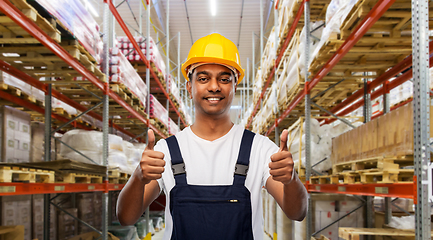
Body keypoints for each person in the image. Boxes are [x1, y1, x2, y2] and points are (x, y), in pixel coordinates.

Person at [117, 33, 308, 239]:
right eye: (203, 78)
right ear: (189, 87)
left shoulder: (260, 148)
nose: (214, 86)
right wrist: (138, 177)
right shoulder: (165, 151)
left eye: (224, 79)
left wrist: (291, 180)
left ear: (235, 86)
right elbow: (126, 217)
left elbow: (297, 213)